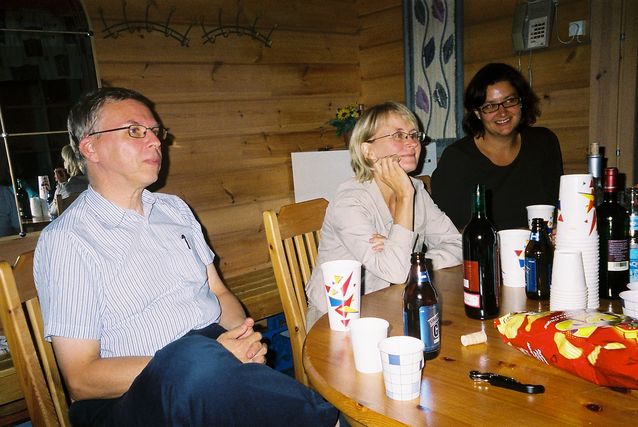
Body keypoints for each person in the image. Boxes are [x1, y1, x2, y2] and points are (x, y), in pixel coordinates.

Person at [34, 87, 337, 426]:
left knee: (203, 362)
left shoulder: (174, 209)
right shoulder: (68, 240)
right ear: (91, 147)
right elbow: (81, 378)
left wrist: (242, 340)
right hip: (128, 399)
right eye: (135, 131)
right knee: (191, 357)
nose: (154, 141)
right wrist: (216, 358)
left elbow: (219, 292)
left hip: (210, 363)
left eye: (155, 132)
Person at [305, 101, 462, 328]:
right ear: (367, 150)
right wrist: (405, 197)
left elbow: (455, 243)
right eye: (398, 135)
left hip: (392, 305)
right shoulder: (350, 202)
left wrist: (415, 264)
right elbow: (397, 273)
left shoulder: (416, 189)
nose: (412, 143)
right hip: (338, 318)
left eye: (414, 135)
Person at [431, 63, 563, 231]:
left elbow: (559, 208)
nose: (502, 112)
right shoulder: (457, 158)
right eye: (490, 106)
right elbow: (449, 232)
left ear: (521, 101)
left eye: (509, 101)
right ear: (478, 113)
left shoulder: (544, 143)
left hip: (541, 251)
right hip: (483, 255)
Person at [48, 144, 89, 215]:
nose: (64, 163)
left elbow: (53, 211)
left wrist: (61, 185)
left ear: (69, 162)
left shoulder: (67, 189)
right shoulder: (97, 183)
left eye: (64, 160)